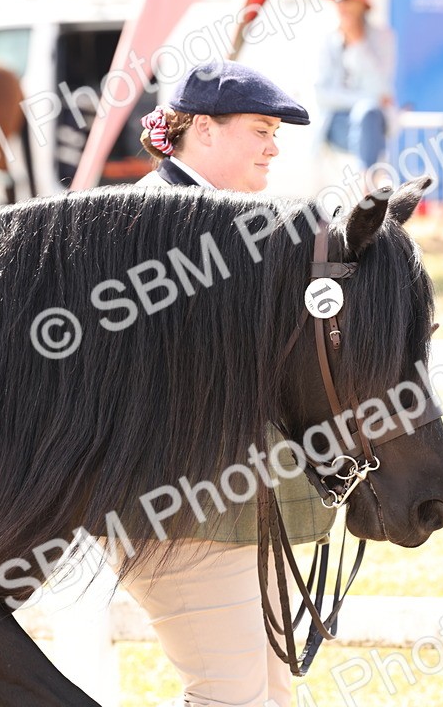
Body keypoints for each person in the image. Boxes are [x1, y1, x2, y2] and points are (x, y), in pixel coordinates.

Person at [126, 60, 334, 707]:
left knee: (267, 698)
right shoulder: (155, 224)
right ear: (204, 133)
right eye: (260, 129)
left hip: (235, 512)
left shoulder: (226, 222)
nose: (274, 146)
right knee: (231, 699)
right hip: (181, 511)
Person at [314, 0, 396, 171]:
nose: (343, 6)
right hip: (335, 125)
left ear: (362, 5)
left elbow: (381, 90)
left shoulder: (383, 38)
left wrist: (358, 45)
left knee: (367, 114)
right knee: (366, 110)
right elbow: (321, 95)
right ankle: (369, 184)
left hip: (372, 124)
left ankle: (366, 184)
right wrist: (363, 99)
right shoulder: (325, 39)